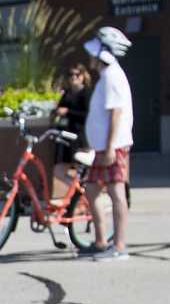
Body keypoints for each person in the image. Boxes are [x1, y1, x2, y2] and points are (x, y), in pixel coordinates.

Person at [81, 25, 133, 262]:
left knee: (116, 192)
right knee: (92, 190)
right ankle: (102, 241)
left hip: (113, 147)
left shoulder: (112, 76)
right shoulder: (106, 76)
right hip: (102, 147)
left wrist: (111, 146)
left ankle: (119, 245)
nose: (90, 57)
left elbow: (116, 113)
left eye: (94, 52)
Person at [51, 62, 93, 203]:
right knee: (58, 171)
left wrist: (68, 112)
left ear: (83, 76)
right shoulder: (67, 93)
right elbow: (60, 109)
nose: (74, 77)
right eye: (71, 75)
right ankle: (80, 192)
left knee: (78, 168)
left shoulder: (86, 93)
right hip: (65, 136)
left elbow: (87, 115)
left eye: (77, 74)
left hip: (79, 136)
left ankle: (83, 196)